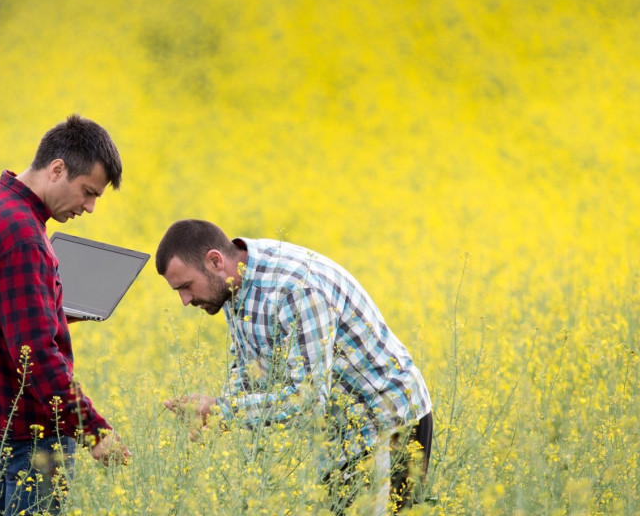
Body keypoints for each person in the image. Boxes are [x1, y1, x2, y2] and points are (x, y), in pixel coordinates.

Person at [156, 219, 433, 515]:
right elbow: (247, 364)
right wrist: (217, 416)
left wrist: (223, 412)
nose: (185, 300)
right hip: (339, 435)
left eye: (186, 286)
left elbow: (308, 399)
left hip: (383, 424)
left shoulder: (295, 289)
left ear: (215, 261)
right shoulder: (234, 281)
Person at [0, 115, 130, 516]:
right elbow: (35, 358)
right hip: (29, 437)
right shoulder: (23, 236)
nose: (89, 207)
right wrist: (94, 431)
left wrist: (46, 311)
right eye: (87, 192)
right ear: (57, 169)